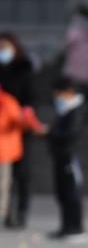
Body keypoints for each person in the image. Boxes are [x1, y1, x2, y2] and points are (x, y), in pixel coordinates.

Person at [0, 33, 40, 228]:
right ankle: (6, 212)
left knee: (21, 174)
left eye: (6, 47)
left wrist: (23, 114)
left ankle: (20, 211)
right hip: (2, 131)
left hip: (19, 129)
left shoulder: (24, 70)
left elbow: (32, 99)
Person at [47, 76, 88, 241]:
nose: (57, 99)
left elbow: (71, 133)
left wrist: (50, 132)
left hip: (71, 156)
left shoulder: (77, 109)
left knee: (72, 192)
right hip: (62, 155)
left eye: (59, 94)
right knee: (63, 192)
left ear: (69, 92)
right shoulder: (66, 109)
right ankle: (66, 226)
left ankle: (75, 227)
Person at [0, 84, 24, 223]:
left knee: (3, 184)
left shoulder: (8, 102)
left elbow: (17, 121)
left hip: (5, 151)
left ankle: (3, 212)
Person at [62, 5, 88, 89]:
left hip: (75, 58)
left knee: (72, 86)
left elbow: (71, 39)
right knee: (85, 85)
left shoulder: (77, 23)